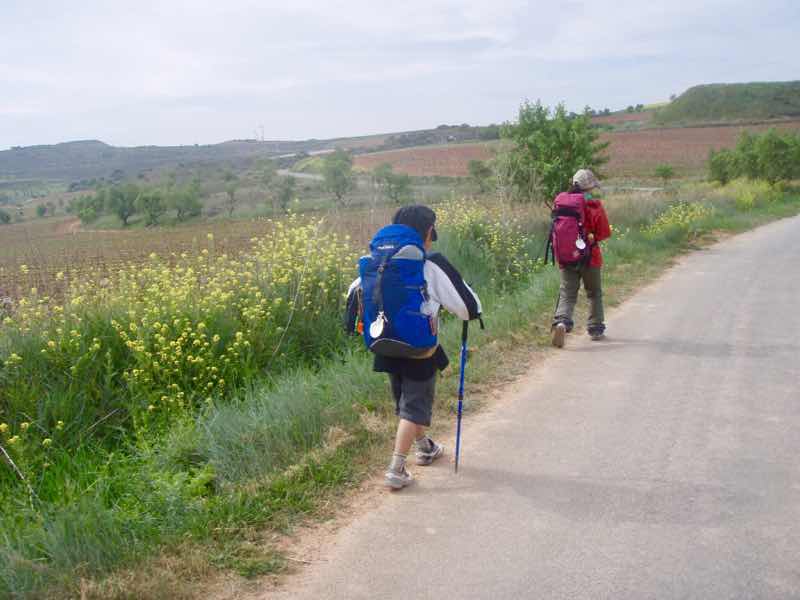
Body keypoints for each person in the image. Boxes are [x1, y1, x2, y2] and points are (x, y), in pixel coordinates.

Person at [345, 205, 482, 490]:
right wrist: (474, 312)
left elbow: (353, 295)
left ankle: (425, 447)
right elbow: (467, 307)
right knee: (414, 407)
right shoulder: (429, 263)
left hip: (383, 344)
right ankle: (396, 469)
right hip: (419, 349)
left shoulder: (373, 260)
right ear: (428, 231)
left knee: (405, 403)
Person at [551, 169, 612, 348]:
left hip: (565, 256)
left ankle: (561, 322)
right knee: (594, 293)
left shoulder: (561, 201)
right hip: (589, 257)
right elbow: (603, 232)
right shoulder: (593, 205)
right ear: (590, 186)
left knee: (567, 293)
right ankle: (595, 328)